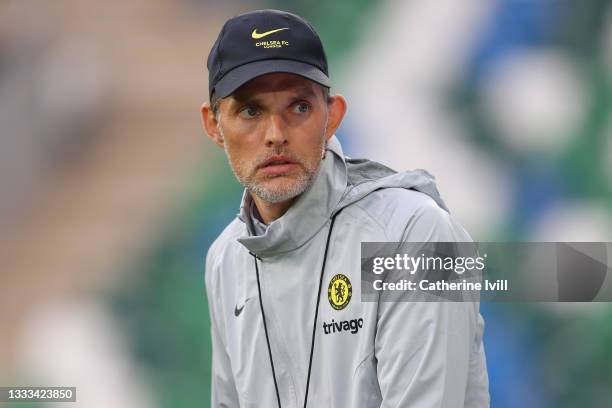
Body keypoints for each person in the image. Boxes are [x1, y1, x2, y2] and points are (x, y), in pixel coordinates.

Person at [201, 9, 490, 408]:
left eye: (299, 107)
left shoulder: (416, 235)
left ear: (332, 116)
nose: (275, 135)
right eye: (250, 111)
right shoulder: (225, 257)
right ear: (213, 124)